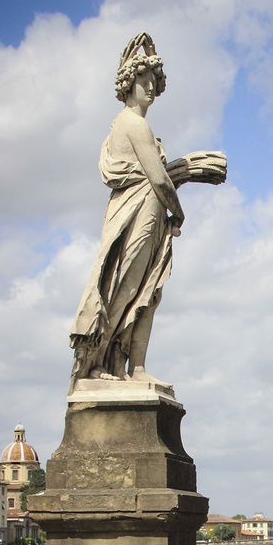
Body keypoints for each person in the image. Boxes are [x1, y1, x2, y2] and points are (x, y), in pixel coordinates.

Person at [68, 34, 187, 391]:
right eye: (142, 81)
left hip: (148, 215)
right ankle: (96, 364)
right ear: (128, 84)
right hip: (138, 215)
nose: (149, 88)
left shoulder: (136, 124)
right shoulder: (134, 124)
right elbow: (160, 180)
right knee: (124, 287)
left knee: (146, 291)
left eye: (154, 82)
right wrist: (178, 212)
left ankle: (133, 367)